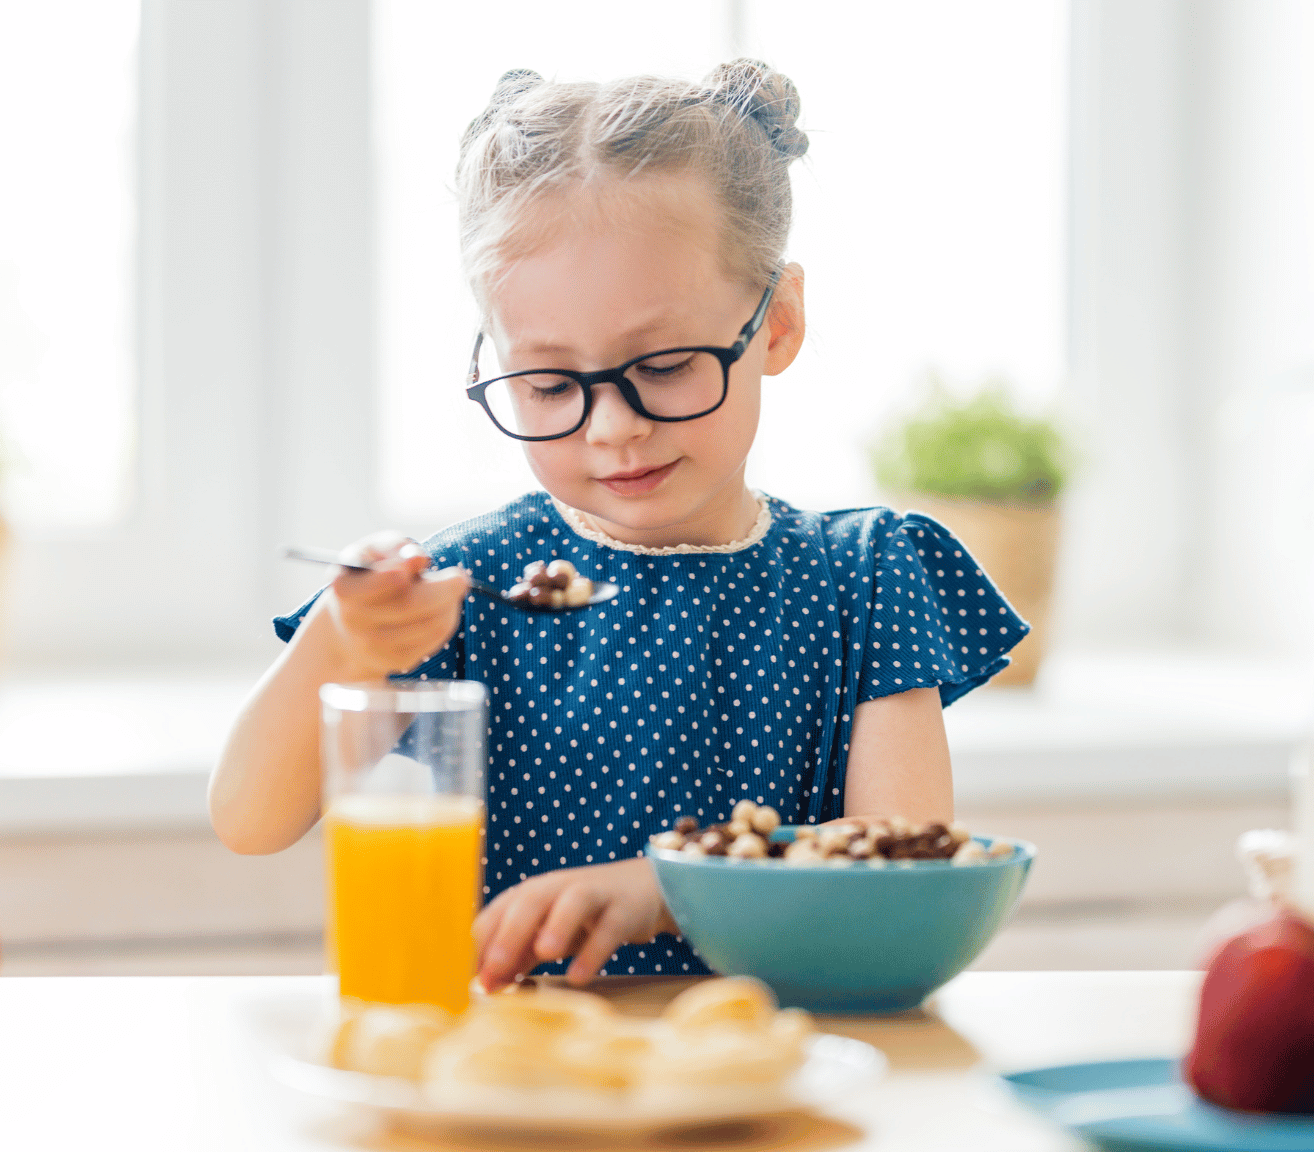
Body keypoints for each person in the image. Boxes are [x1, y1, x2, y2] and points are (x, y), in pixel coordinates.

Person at [210, 59, 1027, 993]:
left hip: (779, 1077)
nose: (612, 428)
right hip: (522, 1091)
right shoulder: (460, 589)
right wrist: (338, 643)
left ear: (780, 322)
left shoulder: (866, 578)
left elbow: (897, 871)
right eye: (551, 385)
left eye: (669, 365)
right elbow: (247, 817)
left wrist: (669, 891)